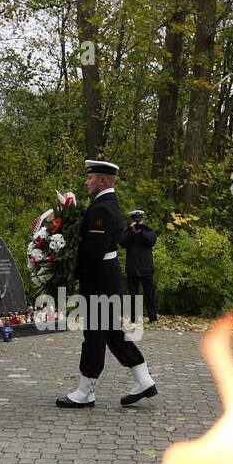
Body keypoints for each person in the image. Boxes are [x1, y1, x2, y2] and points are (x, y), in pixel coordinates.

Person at [56, 160, 157, 408]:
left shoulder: (103, 208)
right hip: (104, 277)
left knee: (94, 335)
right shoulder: (103, 203)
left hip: (99, 279)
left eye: (90, 178)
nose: (86, 181)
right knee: (111, 333)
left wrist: (68, 271)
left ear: (102, 180)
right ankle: (144, 381)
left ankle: (85, 391)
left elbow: (93, 250)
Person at [118, 208, 157, 323]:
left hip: (146, 267)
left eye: (139, 222)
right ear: (132, 221)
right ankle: (133, 318)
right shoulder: (128, 232)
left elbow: (151, 241)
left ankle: (153, 317)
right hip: (132, 268)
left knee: (149, 293)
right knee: (133, 294)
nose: (138, 224)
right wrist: (131, 231)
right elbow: (122, 243)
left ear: (142, 221)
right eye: (136, 222)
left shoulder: (148, 231)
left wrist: (141, 232)